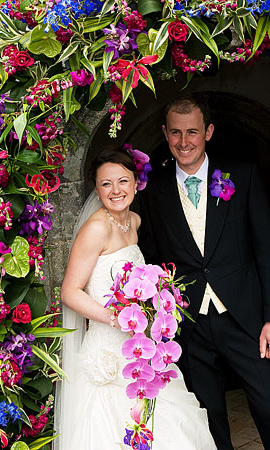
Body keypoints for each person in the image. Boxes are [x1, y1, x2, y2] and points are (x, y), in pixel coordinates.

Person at [139, 93, 270, 450]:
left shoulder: (242, 176)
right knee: (207, 419)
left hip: (246, 319)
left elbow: (268, 251)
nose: (184, 142)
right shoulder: (154, 192)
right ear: (165, 134)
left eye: (192, 132)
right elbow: (153, 258)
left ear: (209, 132)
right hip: (190, 326)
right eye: (175, 133)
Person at [54, 148, 216, 449]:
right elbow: (70, 292)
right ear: (96, 188)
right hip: (110, 351)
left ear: (135, 182)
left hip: (140, 350)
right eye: (106, 184)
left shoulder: (135, 222)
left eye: (123, 181)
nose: (116, 191)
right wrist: (116, 318)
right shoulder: (96, 229)